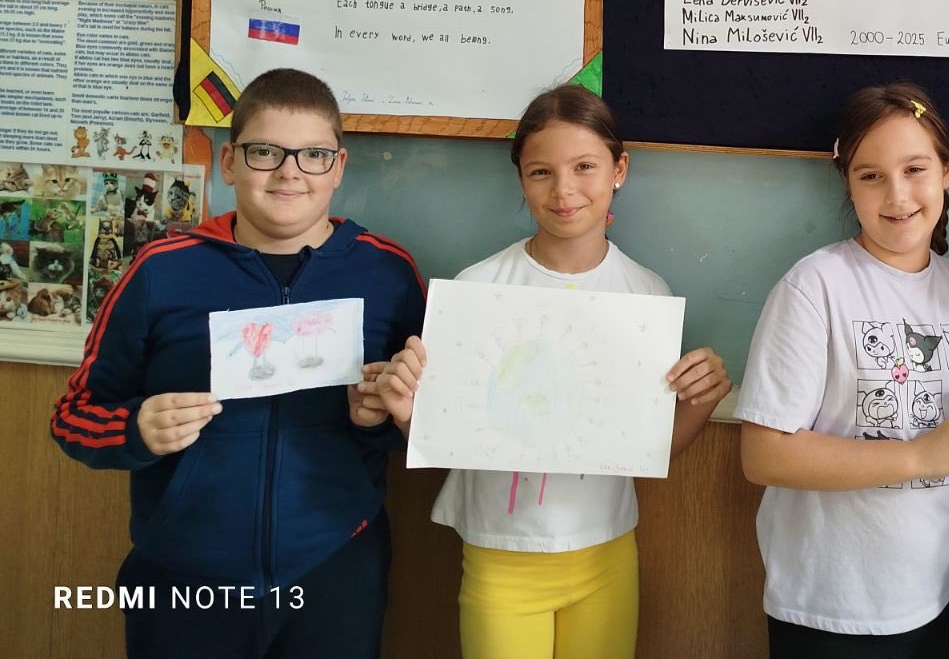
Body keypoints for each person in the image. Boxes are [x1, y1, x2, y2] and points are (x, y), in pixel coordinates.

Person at [49, 67, 425, 659]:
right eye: (264, 152)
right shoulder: (162, 270)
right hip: (184, 572)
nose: (290, 173)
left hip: (335, 564)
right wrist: (135, 429)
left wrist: (382, 420)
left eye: (314, 156)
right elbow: (73, 415)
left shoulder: (388, 272)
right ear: (229, 162)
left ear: (338, 167)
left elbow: (429, 425)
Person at [374, 84, 730, 659]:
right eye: (541, 172)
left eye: (584, 166)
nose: (563, 190)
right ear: (520, 179)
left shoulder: (646, 295)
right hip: (499, 554)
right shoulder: (477, 290)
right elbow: (448, 433)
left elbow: (652, 448)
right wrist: (406, 413)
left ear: (619, 170)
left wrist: (703, 398)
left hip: (607, 552)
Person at [739, 83, 949, 659]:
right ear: (849, 185)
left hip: (936, 599)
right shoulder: (816, 286)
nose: (896, 194)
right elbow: (764, 454)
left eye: (915, 169)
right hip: (828, 610)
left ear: (947, 171)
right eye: (871, 175)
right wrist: (918, 456)